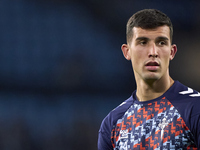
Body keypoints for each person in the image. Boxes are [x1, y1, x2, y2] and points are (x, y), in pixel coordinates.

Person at [98, 9, 200, 150]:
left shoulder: (195, 108)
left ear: (172, 52)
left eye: (161, 43)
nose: (153, 52)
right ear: (127, 51)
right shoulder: (113, 123)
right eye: (143, 42)